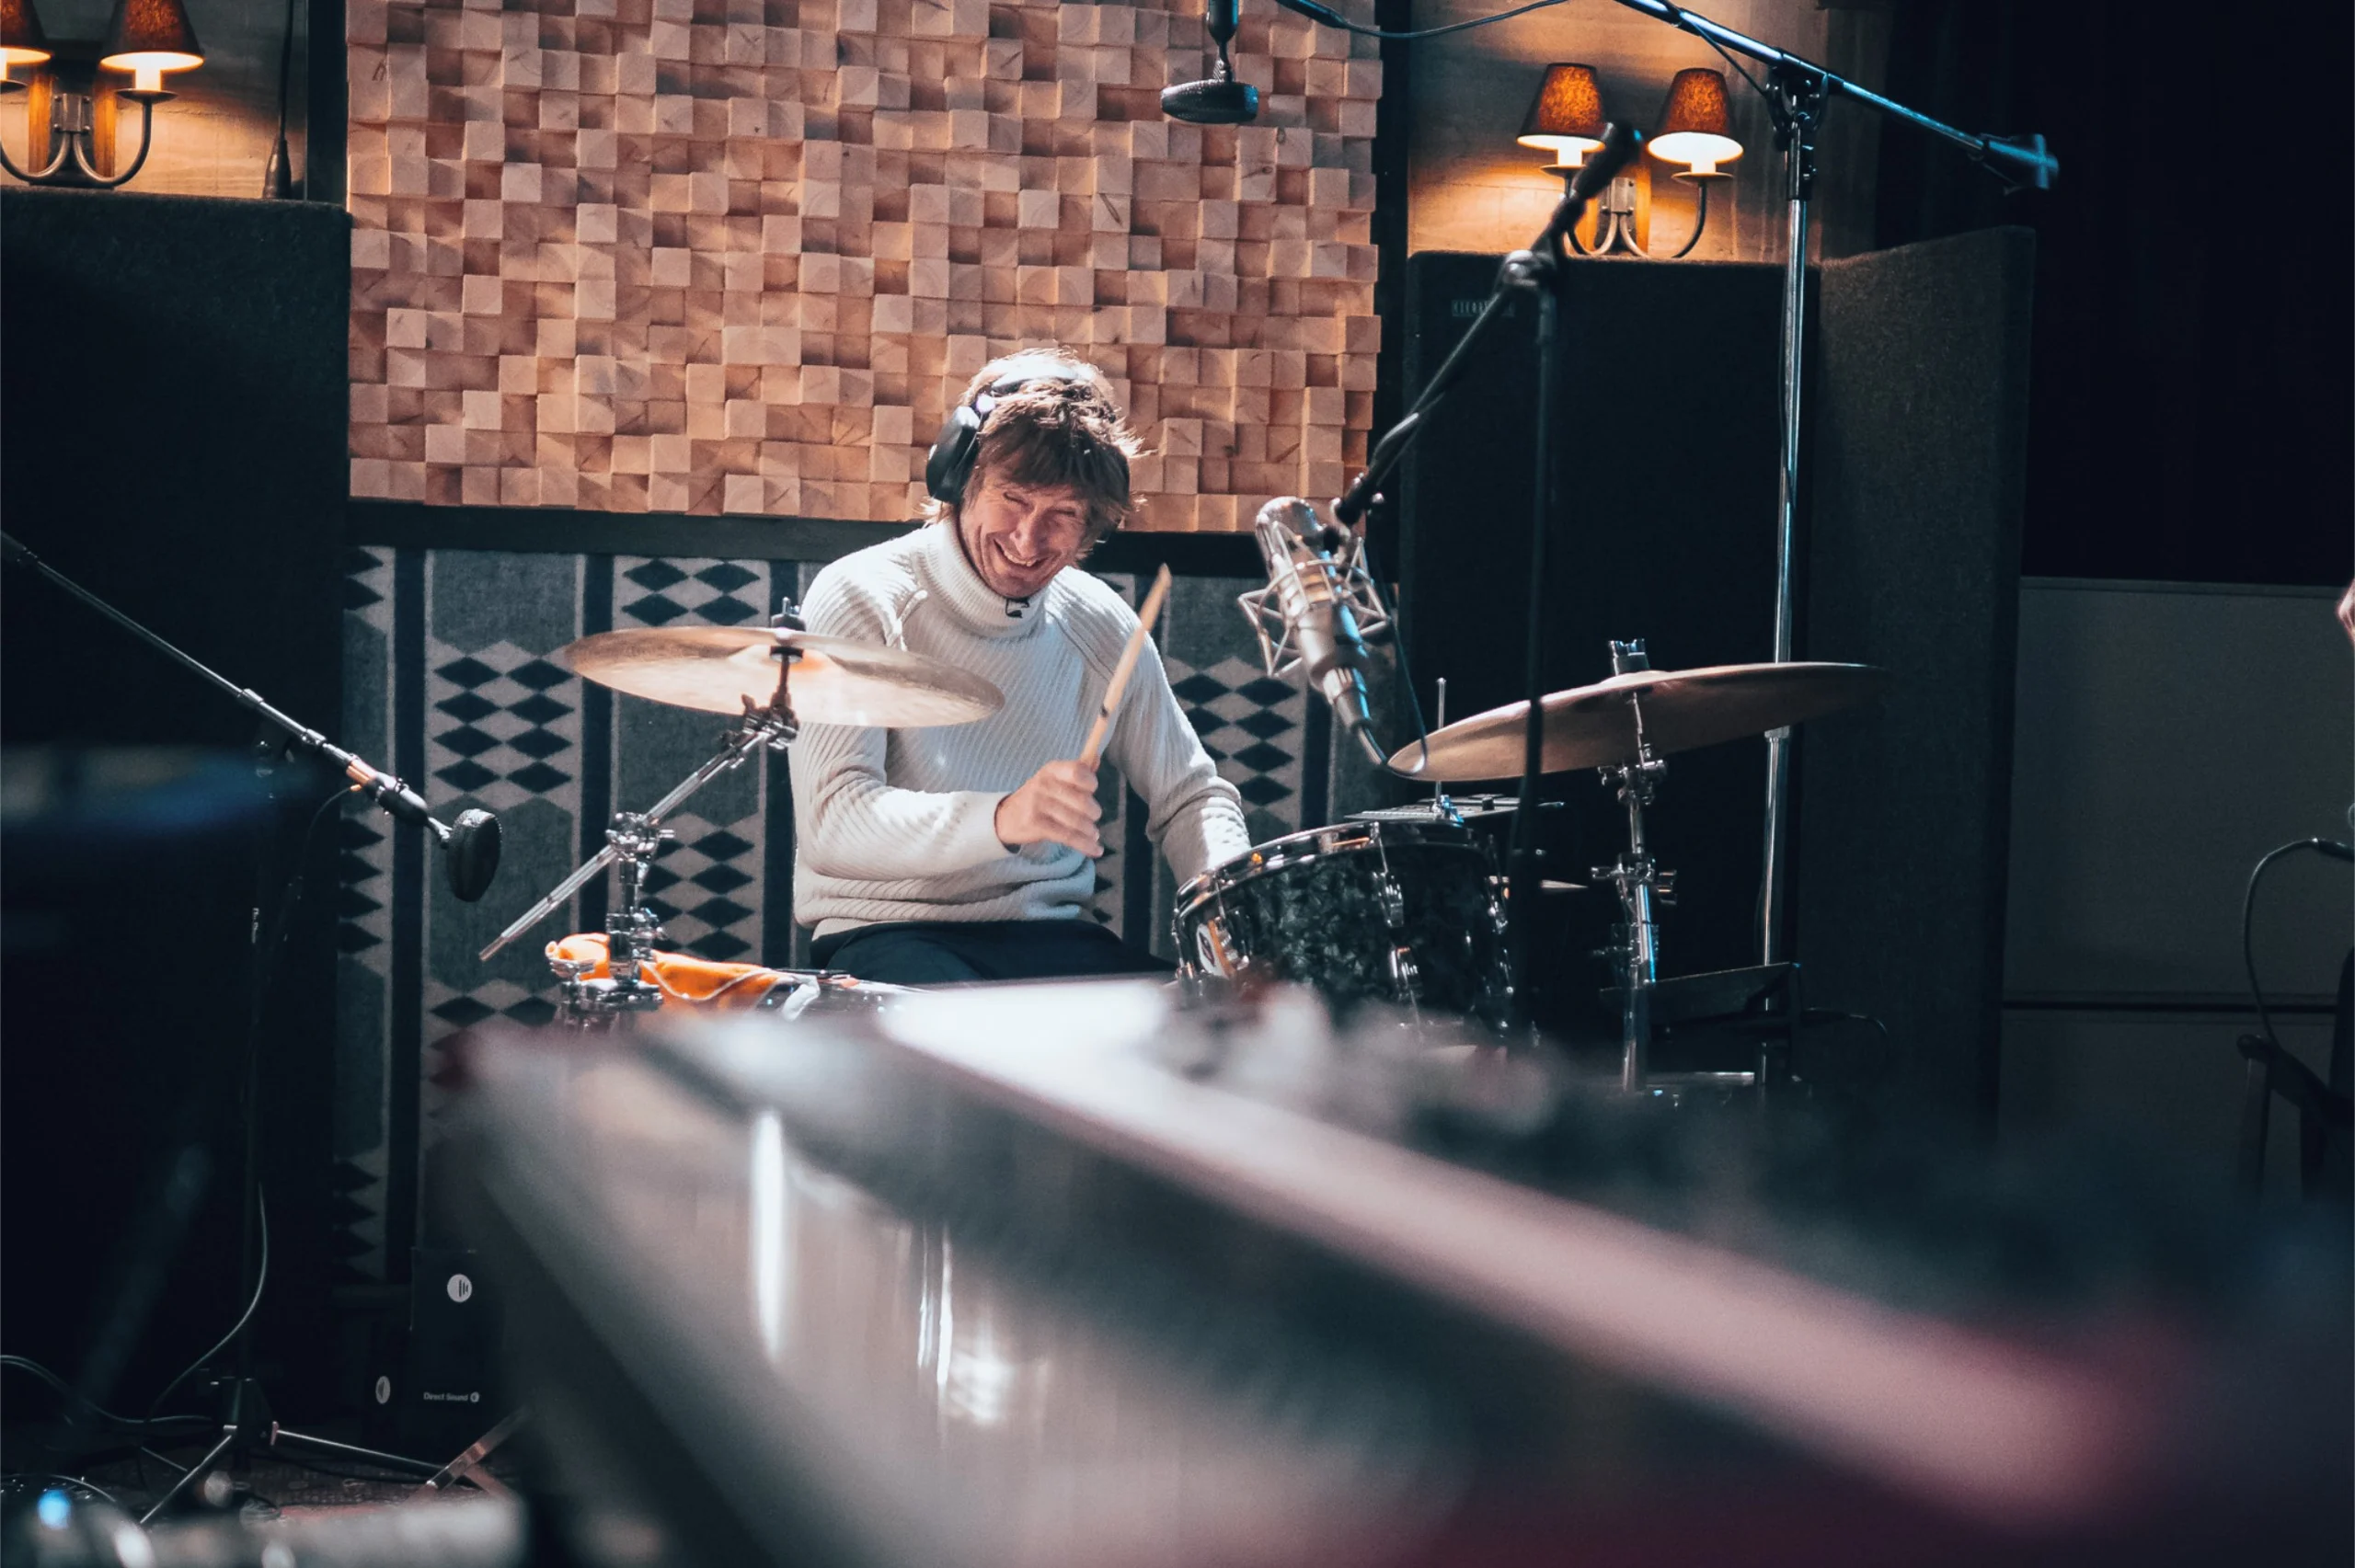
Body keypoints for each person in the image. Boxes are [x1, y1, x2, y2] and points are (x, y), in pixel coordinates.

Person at [790, 348, 1251, 984]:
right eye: (1014, 498)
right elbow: (833, 822)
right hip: (888, 932)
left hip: (1051, 937)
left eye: (1062, 514)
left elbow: (1189, 797)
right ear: (959, 480)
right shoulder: (862, 595)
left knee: (1212, 1035)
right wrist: (1004, 818)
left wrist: (1234, 917)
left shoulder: (1100, 621)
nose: (1029, 540)